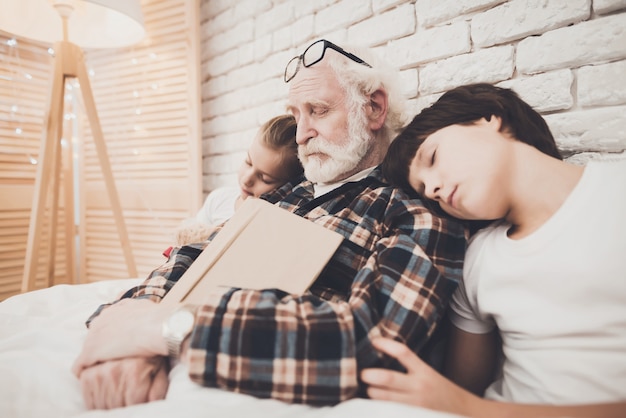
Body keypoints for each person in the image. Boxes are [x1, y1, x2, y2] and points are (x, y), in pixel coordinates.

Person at [71, 39, 468, 409]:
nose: (301, 134)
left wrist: (168, 331)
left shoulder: (413, 207)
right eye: (296, 115)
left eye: (319, 110)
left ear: (374, 108)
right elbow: (195, 255)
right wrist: (127, 327)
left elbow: (373, 342)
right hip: (164, 358)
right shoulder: (289, 193)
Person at [361, 83, 626, 417]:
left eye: (432, 157)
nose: (433, 188)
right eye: (425, 192)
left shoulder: (616, 193)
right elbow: (458, 393)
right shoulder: (478, 259)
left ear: (489, 119)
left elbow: (462, 403)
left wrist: (467, 407)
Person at [174, 114, 302, 246]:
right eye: (248, 162)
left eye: (265, 179)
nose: (247, 179)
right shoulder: (219, 199)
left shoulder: (272, 224)